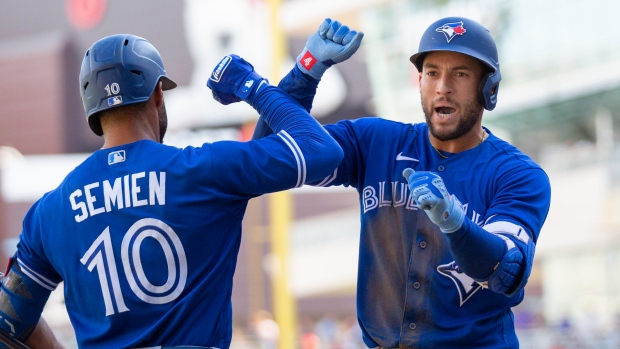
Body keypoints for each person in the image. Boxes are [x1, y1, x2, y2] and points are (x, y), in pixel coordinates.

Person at [0, 34, 345, 348]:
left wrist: (303, 75)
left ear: (93, 108)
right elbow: (321, 150)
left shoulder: (50, 212)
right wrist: (256, 86)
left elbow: (9, 323)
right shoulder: (200, 171)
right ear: (156, 93)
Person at [251, 17, 552, 348]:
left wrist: (455, 223)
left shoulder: (517, 174)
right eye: (433, 72)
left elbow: (505, 272)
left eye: (461, 74)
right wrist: (305, 72)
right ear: (420, 82)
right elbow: (268, 159)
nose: (443, 86)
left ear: (488, 88)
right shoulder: (376, 142)